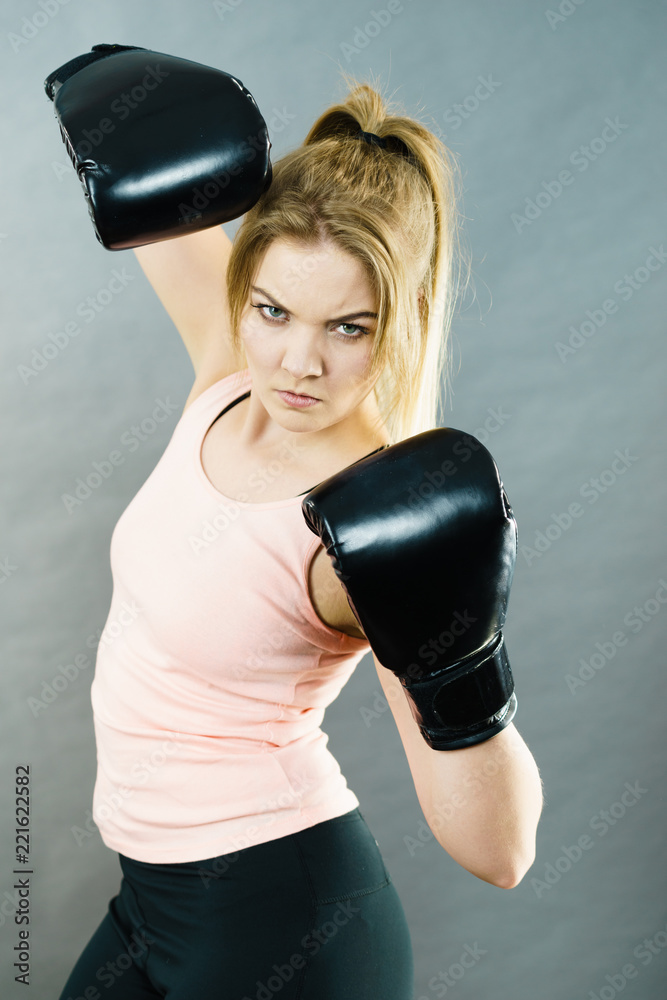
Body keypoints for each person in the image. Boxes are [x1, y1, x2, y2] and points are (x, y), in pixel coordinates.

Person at [51, 49, 543, 1000]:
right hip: (151, 901)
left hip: (281, 925)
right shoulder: (229, 369)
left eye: (347, 327)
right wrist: (113, 84)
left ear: (400, 319)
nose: (296, 363)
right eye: (274, 309)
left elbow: (501, 851)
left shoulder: (371, 519)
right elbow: (145, 175)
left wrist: (461, 662)